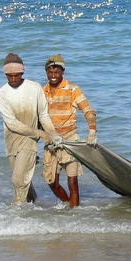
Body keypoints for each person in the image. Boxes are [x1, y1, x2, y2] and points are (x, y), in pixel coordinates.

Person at [0, 53, 61, 205]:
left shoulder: (34, 88)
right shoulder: (1, 94)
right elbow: (12, 124)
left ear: (22, 73)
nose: (13, 79)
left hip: (29, 141)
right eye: (9, 76)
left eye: (16, 75)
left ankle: (15, 212)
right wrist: (40, 133)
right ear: (5, 74)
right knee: (24, 180)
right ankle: (36, 204)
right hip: (11, 141)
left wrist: (52, 134)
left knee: (18, 180)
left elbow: (43, 115)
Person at [42, 54, 97, 209]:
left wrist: (91, 132)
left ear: (63, 72)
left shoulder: (73, 89)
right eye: (50, 72)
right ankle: (67, 205)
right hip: (51, 142)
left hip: (71, 141)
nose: (53, 76)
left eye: (56, 72)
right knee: (52, 182)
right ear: (46, 72)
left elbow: (88, 111)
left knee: (73, 181)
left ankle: (75, 213)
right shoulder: (42, 92)